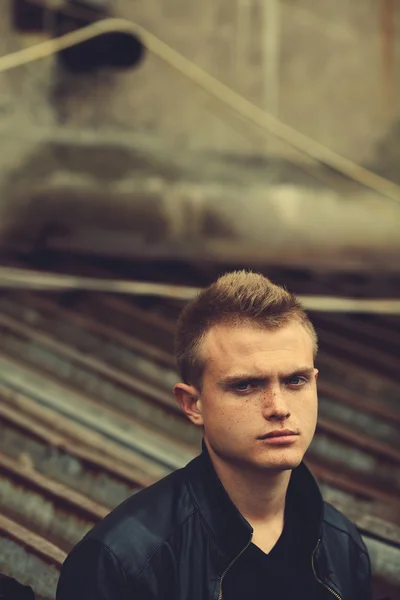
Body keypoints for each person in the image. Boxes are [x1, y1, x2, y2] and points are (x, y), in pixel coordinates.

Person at [56, 270, 373, 600]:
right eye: (244, 385)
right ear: (193, 404)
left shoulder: (341, 544)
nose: (278, 407)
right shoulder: (121, 561)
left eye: (295, 381)